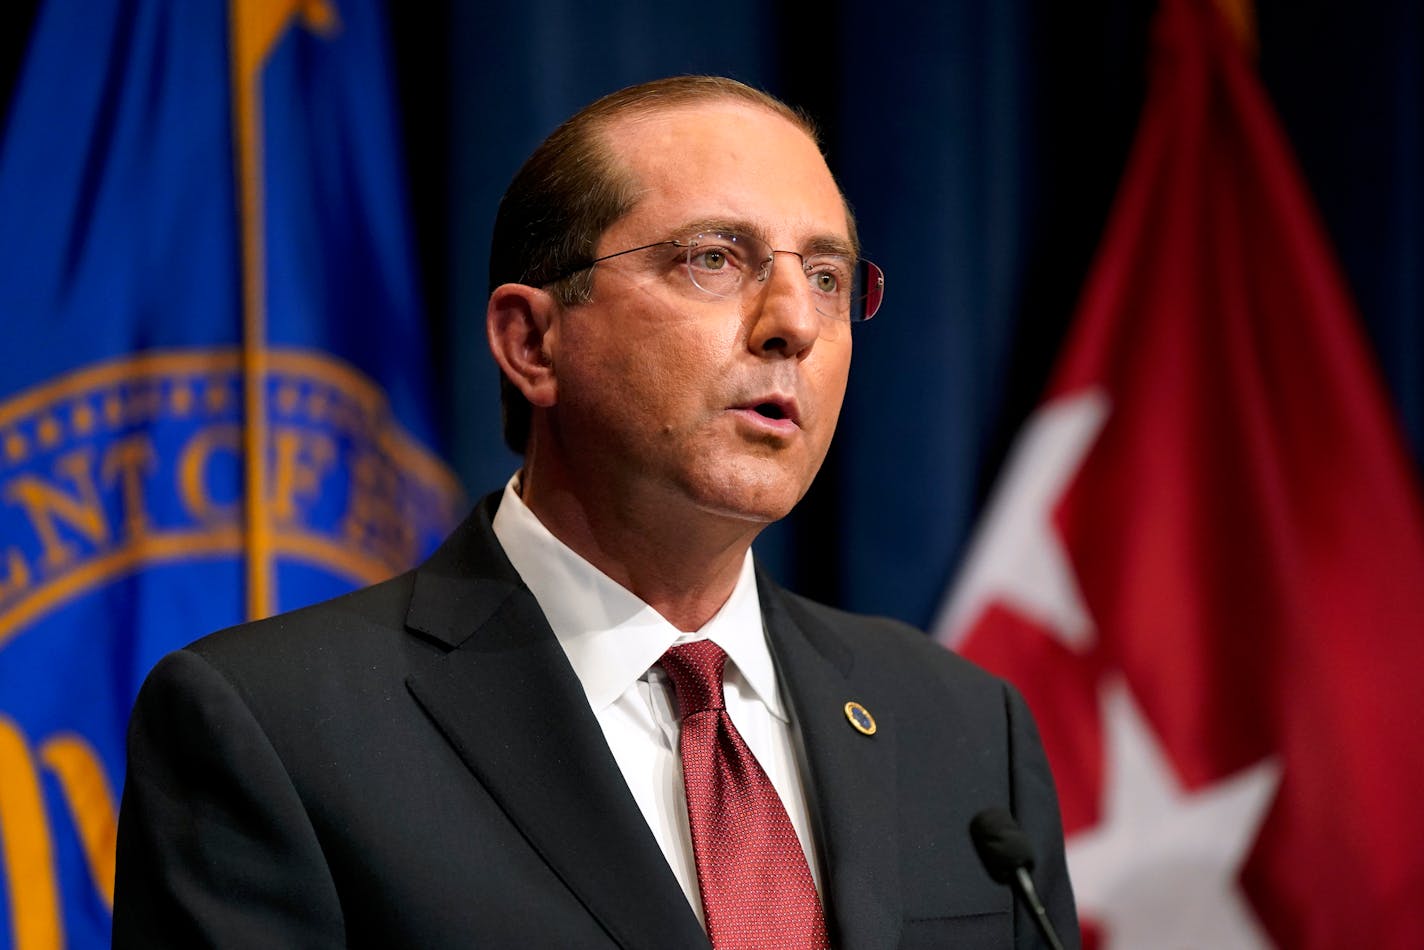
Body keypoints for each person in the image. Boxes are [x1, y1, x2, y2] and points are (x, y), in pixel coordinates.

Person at [112, 75, 1078, 949]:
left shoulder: (961, 725)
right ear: (532, 342)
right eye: (713, 258)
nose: (794, 322)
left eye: (827, 276)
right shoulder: (276, 730)